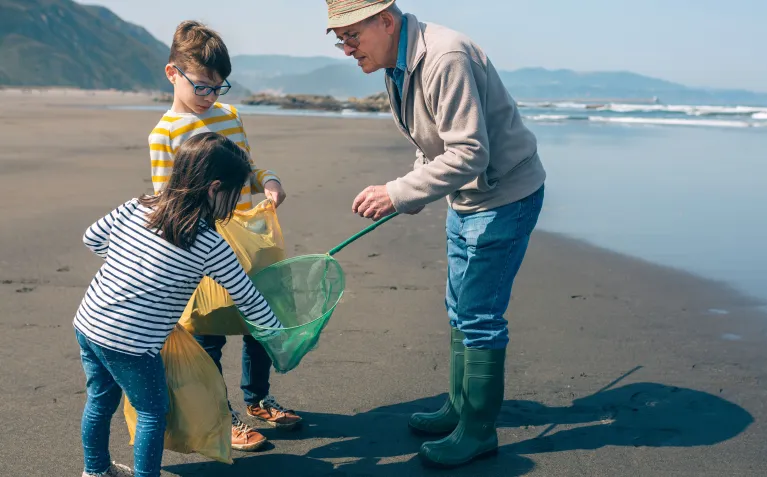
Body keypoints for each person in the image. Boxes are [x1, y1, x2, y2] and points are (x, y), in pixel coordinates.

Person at [325, 0, 546, 468]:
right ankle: (459, 408)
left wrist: (398, 192)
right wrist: (414, 192)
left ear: (385, 22)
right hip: (465, 198)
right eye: (339, 39)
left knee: (479, 314)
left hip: (505, 197)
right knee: (457, 306)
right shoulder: (395, 65)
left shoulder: (446, 58)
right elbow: (433, 144)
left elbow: (470, 153)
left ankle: (479, 432)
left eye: (351, 37)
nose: (346, 49)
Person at [74, 133, 284, 477]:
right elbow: (245, 294)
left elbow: (92, 238)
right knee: (153, 412)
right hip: (133, 343)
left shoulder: (137, 206)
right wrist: (278, 332)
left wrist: (132, 265)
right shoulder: (207, 242)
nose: (235, 203)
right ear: (215, 189)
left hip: (89, 322)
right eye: (235, 193)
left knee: (99, 401)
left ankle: (95, 471)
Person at [148, 20, 301, 452]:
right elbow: (167, 199)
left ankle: (258, 399)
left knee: (257, 322)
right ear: (172, 73)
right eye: (202, 87)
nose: (211, 97)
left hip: (251, 236)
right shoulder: (164, 134)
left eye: (219, 88)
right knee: (208, 332)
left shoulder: (229, 116)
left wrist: (269, 181)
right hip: (202, 244)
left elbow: (249, 168)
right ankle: (223, 414)